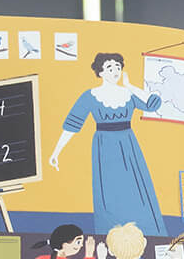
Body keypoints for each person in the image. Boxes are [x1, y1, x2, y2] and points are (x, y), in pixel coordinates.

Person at [48, 52, 168, 236]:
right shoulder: (90, 96)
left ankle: (145, 235)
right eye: (110, 67)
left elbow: (153, 104)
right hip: (104, 147)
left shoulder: (128, 94)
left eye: (118, 67)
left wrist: (130, 86)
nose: (115, 71)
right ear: (100, 72)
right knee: (109, 193)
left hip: (128, 145)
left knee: (137, 189)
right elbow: (73, 124)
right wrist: (56, 152)